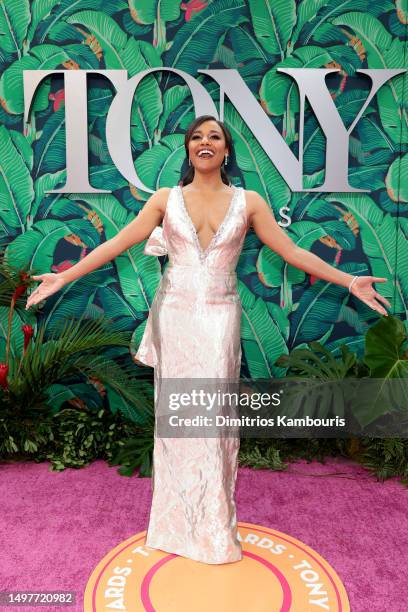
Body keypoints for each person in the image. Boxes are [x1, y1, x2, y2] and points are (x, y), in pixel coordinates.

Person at [25, 114, 391, 565]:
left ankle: (214, 529)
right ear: (187, 148)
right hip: (175, 316)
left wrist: (349, 280)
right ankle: (174, 526)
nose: (204, 142)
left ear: (226, 150)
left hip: (219, 317)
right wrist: (62, 277)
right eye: (196, 136)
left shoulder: (249, 201)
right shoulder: (165, 199)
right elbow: (116, 244)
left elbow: (292, 252)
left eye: (213, 136)